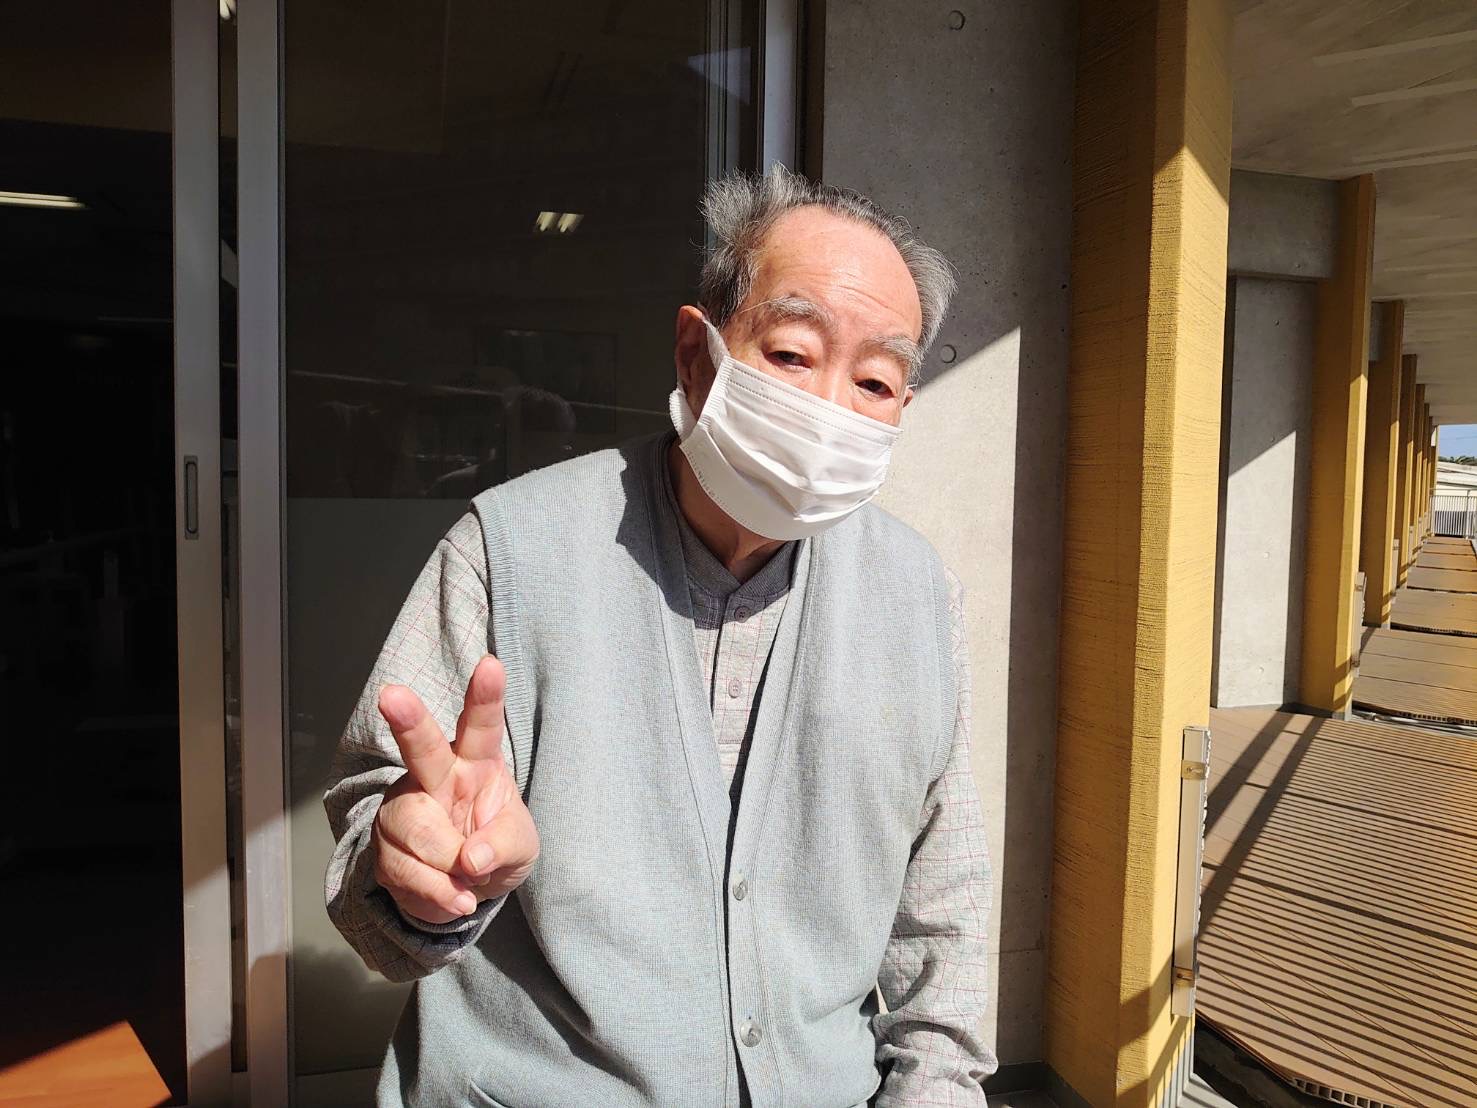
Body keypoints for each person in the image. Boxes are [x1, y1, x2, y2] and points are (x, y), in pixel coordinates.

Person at [324, 165, 996, 1107]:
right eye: (792, 354)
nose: (829, 408)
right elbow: (382, 872)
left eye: (875, 379)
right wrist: (417, 877)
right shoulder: (510, 550)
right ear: (696, 354)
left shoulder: (916, 596)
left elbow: (943, 907)